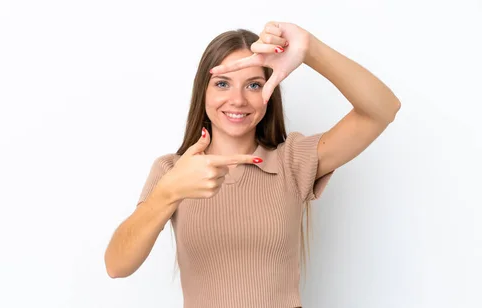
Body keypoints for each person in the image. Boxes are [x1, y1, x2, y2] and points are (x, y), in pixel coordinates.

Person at [104, 21, 401, 308]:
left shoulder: (293, 161)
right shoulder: (173, 170)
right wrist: (168, 193)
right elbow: (116, 265)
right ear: (203, 92)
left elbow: (382, 110)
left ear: (270, 93)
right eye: (222, 83)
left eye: (254, 85)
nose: (238, 100)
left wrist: (309, 49)